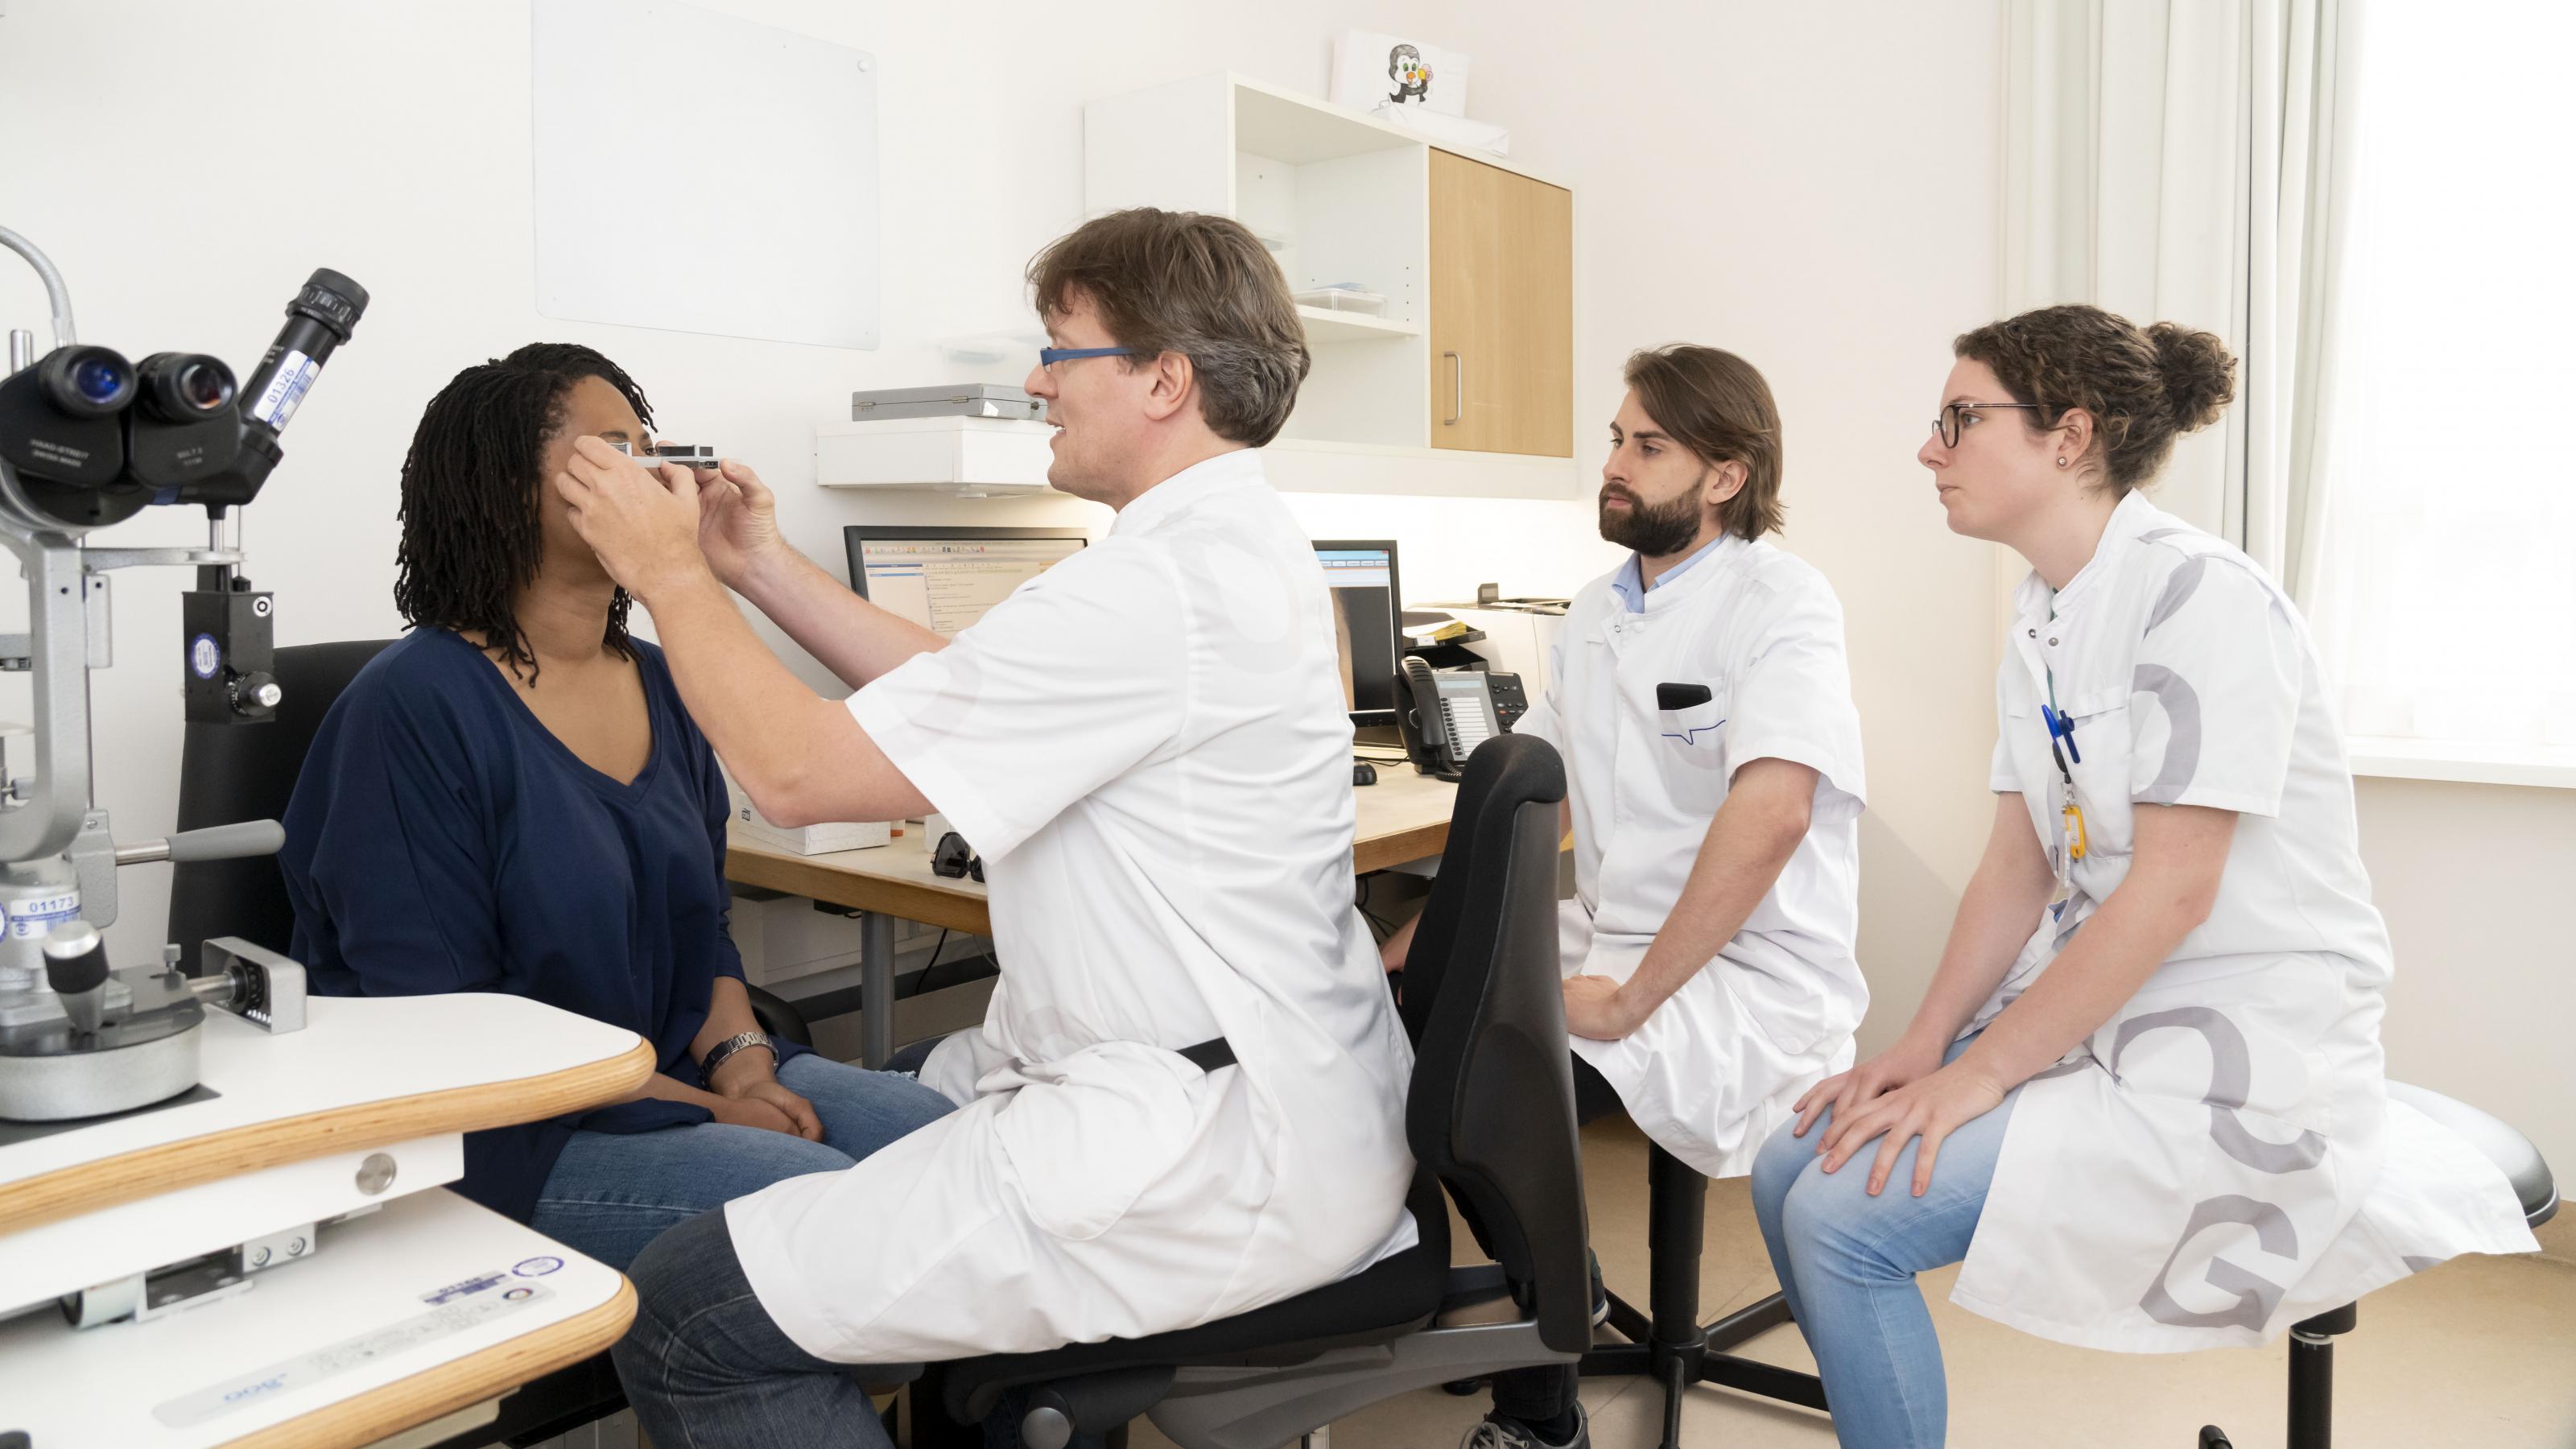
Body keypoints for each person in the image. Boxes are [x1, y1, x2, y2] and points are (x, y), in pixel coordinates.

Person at [559, 210, 1418, 1448]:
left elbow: (796, 776)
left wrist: (671, 578)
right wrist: (757, 569)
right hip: (1254, 1088)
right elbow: (959, 684)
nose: (1034, 382)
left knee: (692, 1318)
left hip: (1196, 1149)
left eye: (1060, 351)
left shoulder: (1156, 585)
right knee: (867, 1127)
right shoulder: (1224, 548)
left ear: (1165, 378)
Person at [1748, 305, 2539, 1448]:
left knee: (1837, 1220)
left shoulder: (2206, 599)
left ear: (2071, 436)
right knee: (1791, 1163)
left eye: (1961, 420)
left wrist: (1980, 1080)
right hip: (2108, 1007)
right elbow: (2015, 867)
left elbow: (2174, 891)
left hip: (2238, 1043)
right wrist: (1922, 1048)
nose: (1931, 448)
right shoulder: (2042, 612)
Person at [280, 344, 953, 1272]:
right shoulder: (414, 706)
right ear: (506, 487)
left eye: (649, 448)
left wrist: (745, 1065)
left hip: (680, 1074)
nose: (655, 477)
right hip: (502, 1129)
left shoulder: (665, 681)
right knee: (824, 1213)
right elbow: (440, 1024)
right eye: (613, 451)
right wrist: (714, 1112)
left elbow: (703, 928)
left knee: (953, 1150)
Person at [1381, 345, 1867, 1449]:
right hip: (1606, 939)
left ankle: (1542, 1405)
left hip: (1738, 973)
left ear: (1725, 476)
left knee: (1487, 1092)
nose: (1615, 463)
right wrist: (1418, 944)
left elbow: (1775, 812)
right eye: (1615, 438)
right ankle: (1544, 1295)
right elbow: (1531, 803)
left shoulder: (1781, 601)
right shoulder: (1598, 610)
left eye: (1648, 447)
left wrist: (1635, 995)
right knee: (1397, 1031)